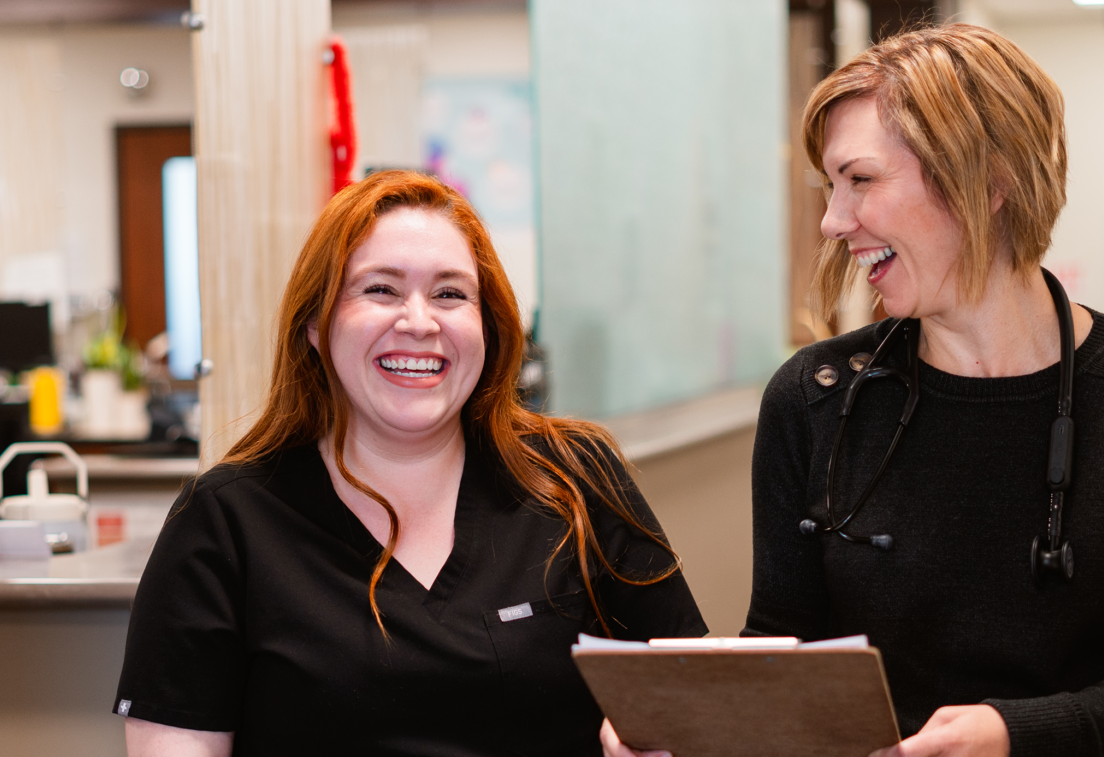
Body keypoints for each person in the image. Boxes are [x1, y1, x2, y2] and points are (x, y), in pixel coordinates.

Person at [608, 24, 1104, 757]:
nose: (832, 221)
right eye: (830, 186)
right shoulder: (815, 401)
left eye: (862, 180)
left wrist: (1016, 734)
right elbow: (788, 646)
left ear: (991, 179)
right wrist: (692, 723)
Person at [118, 170, 706, 756]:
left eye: (450, 294)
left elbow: (694, 696)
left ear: (489, 327)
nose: (420, 322)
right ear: (316, 327)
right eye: (381, 290)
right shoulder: (225, 522)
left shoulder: (575, 477)